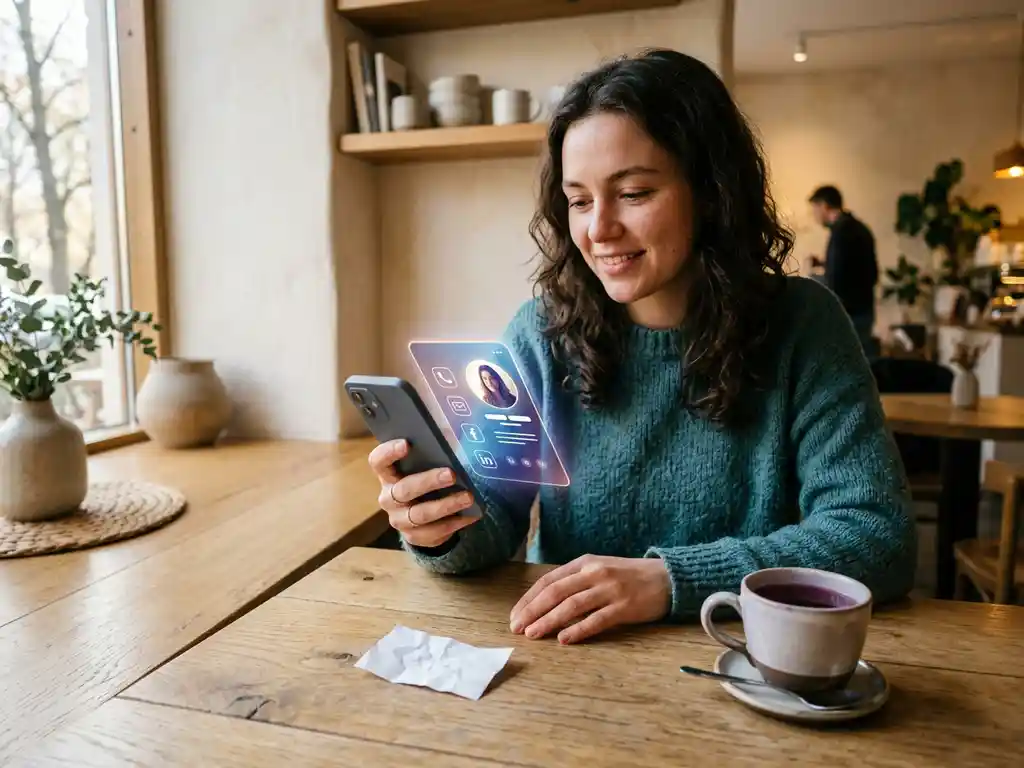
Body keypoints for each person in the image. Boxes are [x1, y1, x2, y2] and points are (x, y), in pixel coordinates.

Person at [367, 49, 916, 645]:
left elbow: (876, 536)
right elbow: (492, 518)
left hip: (741, 662)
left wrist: (670, 580)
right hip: (565, 661)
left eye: (632, 193)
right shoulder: (540, 331)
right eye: (579, 200)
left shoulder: (804, 325)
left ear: (710, 192)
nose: (598, 229)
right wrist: (440, 526)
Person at [807, 185, 879, 355]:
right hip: (864, 309)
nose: (814, 216)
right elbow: (865, 271)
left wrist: (815, 280)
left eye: (815, 210)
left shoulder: (841, 233)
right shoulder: (859, 228)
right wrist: (825, 264)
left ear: (824, 206)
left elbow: (836, 279)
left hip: (849, 314)